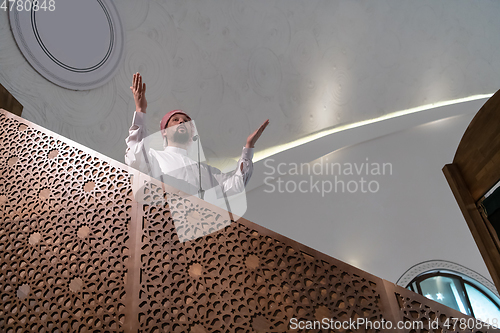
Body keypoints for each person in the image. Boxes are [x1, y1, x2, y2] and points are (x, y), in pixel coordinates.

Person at [125, 72, 269, 200]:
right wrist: (140, 110)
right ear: (164, 132)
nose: (182, 122)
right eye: (176, 120)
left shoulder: (206, 172)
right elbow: (135, 156)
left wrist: (248, 148)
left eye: (186, 122)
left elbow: (235, 185)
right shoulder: (154, 157)